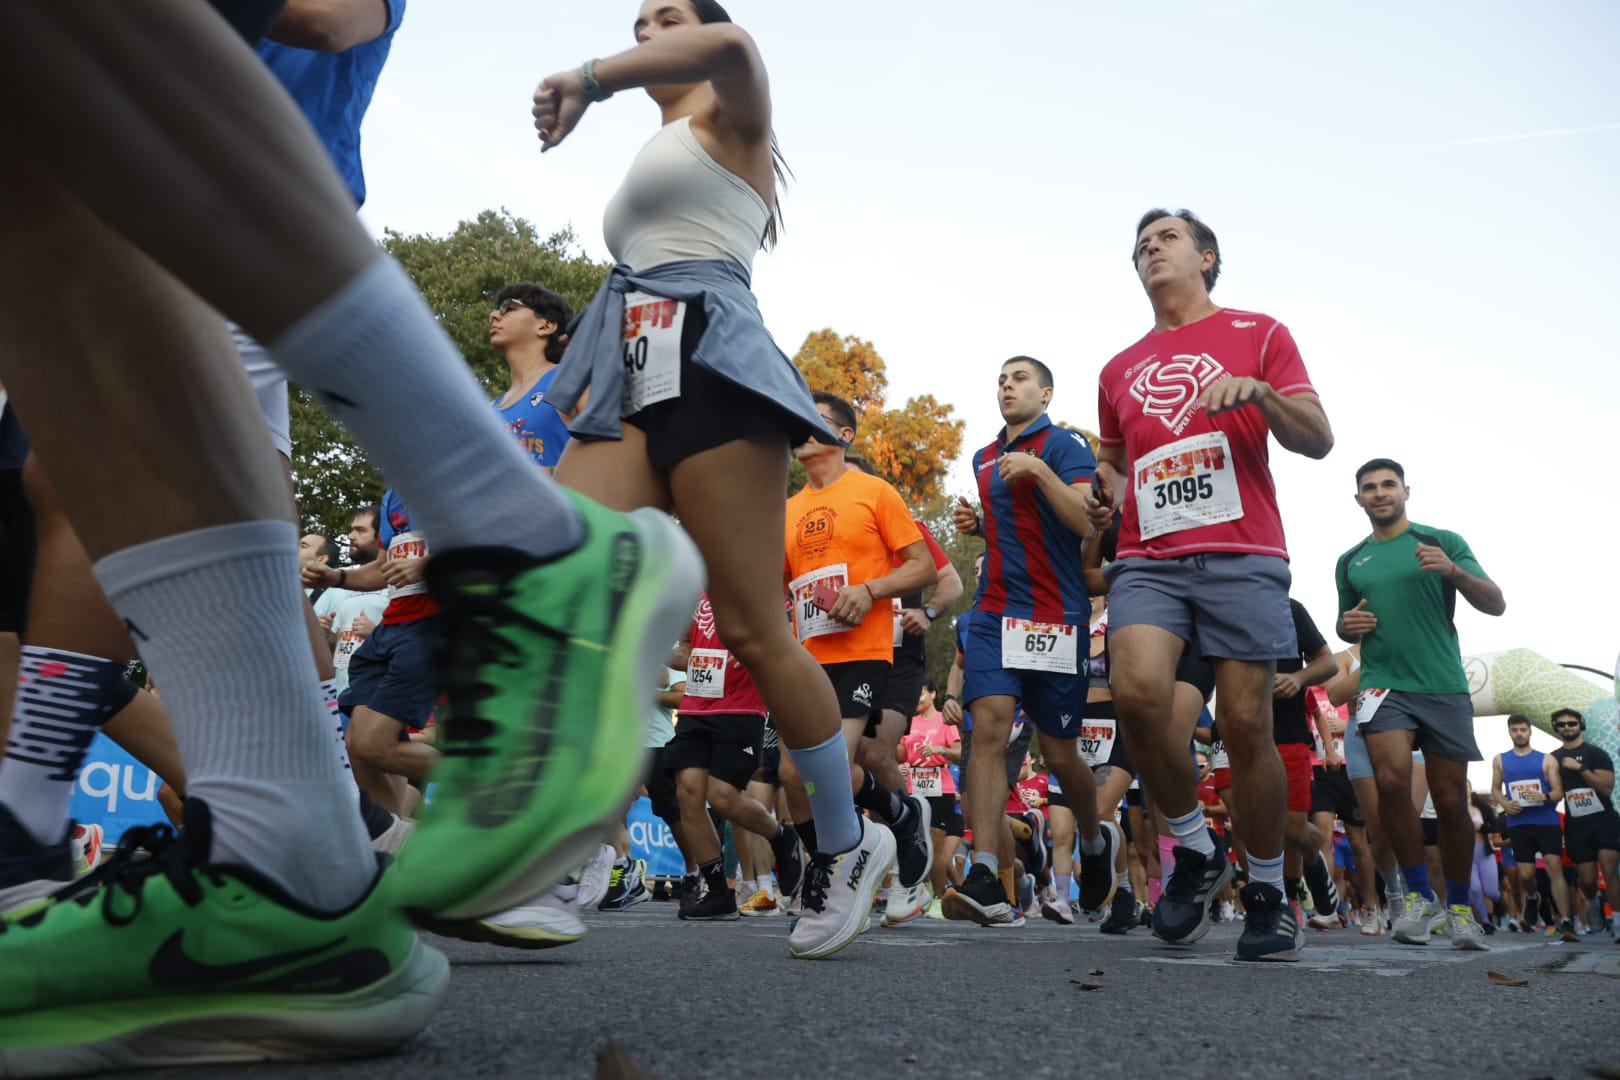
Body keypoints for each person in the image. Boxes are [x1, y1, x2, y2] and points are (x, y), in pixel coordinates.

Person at [0, 2, 702, 1067]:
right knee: (41, 203)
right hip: (197, 178)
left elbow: (334, 16)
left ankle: (523, 547)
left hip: (247, 183)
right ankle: (284, 868)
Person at [532, 0, 893, 961]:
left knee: (751, 628)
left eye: (666, 15)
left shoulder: (732, 117)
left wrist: (592, 74)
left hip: (712, 359)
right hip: (633, 358)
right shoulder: (657, 141)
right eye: (637, 18)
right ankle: (552, 853)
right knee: (563, 586)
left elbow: (733, 44)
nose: (649, 27)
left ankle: (849, 844)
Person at [1086, 208, 1334, 962]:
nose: (1150, 250)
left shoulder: (1259, 333)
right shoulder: (1117, 368)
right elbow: (1115, 463)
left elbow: (1318, 438)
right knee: (1135, 694)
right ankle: (1195, 850)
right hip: (1149, 560)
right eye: (1140, 246)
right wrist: (1104, 487)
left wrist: (1260, 393)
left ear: (1207, 255)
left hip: (1243, 552)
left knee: (1246, 727)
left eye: (1165, 238)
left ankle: (1267, 890)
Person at [948, 356, 1114, 927]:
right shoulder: (984, 457)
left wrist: (1040, 473)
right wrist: (979, 527)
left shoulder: (1065, 446)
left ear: (1045, 393)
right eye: (1000, 379)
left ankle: (1094, 845)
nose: (1006, 386)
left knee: (1060, 751)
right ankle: (987, 872)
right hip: (994, 612)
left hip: (1053, 617)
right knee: (988, 729)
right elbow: (1011, 531)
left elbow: (1085, 525)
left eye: (1019, 379)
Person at [775, 394, 936, 914]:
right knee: (790, 777)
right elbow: (781, 589)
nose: (801, 427)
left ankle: (835, 872)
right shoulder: (787, 510)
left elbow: (923, 569)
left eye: (815, 420)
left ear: (844, 436)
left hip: (862, 653)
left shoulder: (874, 492)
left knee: (832, 767)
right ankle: (895, 818)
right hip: (806, 658)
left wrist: (869, 591)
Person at [1337, 457, 1504, 950]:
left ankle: (1457, 909)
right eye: (1370, 487)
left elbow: (1495, 602)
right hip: (1383, 684)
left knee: (1450, 798)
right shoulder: (1351, 560)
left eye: (1389, 484)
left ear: (1406, 491)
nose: (1380, 493)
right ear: (1359, 499)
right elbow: (1346, 623)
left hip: (1443, 684)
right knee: (1390, 785)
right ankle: (1416, 898)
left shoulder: (1441, 542)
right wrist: (1347, 628)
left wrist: (1454, 572)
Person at [666, 592, 804, 920]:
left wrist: (754, 652)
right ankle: (718, 894)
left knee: (724, 797)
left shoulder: (751, 584)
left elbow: (783, 640)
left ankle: (781, 837)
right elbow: (686, 650)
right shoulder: (695, 595)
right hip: (696, 708)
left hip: (740, 709)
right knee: (687, 793)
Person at [1489, 715, 1577, 941]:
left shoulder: (1546, 759)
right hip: (1519, 823)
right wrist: (1505, 803)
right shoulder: (1500, 760)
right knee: (1526, 875)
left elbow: (1559, 791)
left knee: (1553, 865)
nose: (1519, 733)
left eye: (1523, 730)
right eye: (1515, 730)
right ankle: (1531, 896)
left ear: (1530, 732)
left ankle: (1566, 920)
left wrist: (1544, 795)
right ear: (1509, 732)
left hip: (1546, 821)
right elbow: (1496, 789)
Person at [487, 281, 575, 474]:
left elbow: (615, 455)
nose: (494, 316)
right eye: (495, 311)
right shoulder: (489, 410)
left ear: (546, 326)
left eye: (508, 308)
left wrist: (545, 477)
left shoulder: (571, 380)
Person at [1548, 708, 1620, 942]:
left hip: (1603, 819)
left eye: (1572, 723)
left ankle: (1618, 923)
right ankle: (1592, 900)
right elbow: (1553, 792)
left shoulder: (1595, 753)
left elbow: (1607, 787)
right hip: (1576, 823)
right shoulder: (1553, 758)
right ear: (1556, 728)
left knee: (1609, 869)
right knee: (1587, 880)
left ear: (1581, 725)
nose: (1567, 727)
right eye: (1562, 724)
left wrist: (1580, 769)